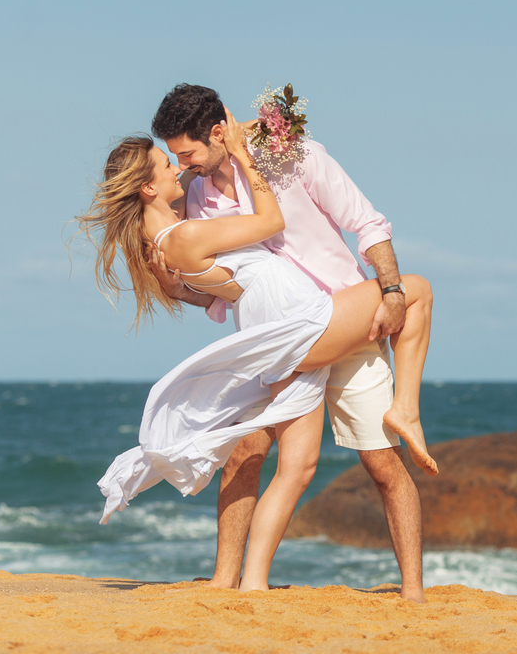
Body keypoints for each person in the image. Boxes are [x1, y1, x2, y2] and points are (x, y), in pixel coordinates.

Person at [82, 118, 433, 594]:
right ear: (147, 187)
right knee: (417, 290)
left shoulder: (183, 227)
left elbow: (225, 286)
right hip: (303, 323)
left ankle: (255, 583)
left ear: (213, 134)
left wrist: (254, 129)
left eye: (183, 155)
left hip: (289, 327)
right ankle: (406, 409)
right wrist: (245, 157)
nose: (181, 169)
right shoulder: (186, 231)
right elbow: (270, 223)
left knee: (299, 469)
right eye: (169, 163)